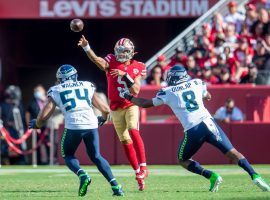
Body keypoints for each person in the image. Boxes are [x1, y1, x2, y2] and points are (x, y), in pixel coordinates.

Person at [119, 65, 270, 192]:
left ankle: (211, 176)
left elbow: (146, 104)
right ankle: (255, 176)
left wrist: (128, 96)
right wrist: (204, 96)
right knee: (233, 152)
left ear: (174, 77)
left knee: (182, 159)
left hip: (193, 129)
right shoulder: (197, 83)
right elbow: (208, 96)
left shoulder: (169, 91)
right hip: (209, 123)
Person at [28, 64, 124, 197]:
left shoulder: (56, 89)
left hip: (73, 126)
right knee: (96, 156)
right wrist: (102, 119)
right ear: (75, 76)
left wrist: (37, 125)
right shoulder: (86, 85)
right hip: (91, 124)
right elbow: (106, 109)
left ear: (60, 78)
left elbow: (44, 115)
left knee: (67, 155)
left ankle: (82, 174)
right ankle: (116, 187)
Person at [78, 35, 148, 190]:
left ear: (131, 52)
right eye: (119, 51)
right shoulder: (111, 60)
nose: (121, 54)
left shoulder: (138, 66)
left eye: (124, 51)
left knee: (133, 130)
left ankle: (144, 167)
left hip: (130, 104)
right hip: (115, 107)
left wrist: (126, 75)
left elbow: (136, 90)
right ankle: (137, 173)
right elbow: (98, 60)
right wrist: (86, 47)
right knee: (124, 140)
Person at [25, 84, 49, 164]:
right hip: (36, 127)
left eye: (38, 90)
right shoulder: (32, 102)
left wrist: (45, 100)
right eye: (35, 91)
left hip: (47, 127)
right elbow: (27, 114)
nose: (37, 92)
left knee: (48, 144)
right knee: (36, 145)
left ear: (43, 91)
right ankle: (38, 162)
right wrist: (31, 126)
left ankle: (49, 161)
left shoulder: (49, 100)